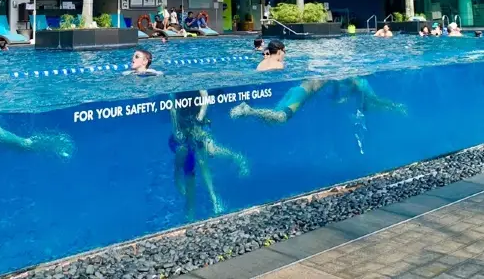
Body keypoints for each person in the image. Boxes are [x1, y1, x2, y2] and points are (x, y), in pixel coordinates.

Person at [169, 89, 248, 219]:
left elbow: (205, 95)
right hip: (183, 123)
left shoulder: (193, 76)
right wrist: (176, 128)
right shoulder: (174, 84)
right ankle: (179, 180)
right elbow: (172, 108)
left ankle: (235, 158)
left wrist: (200, 116)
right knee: (185, 156)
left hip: (199, 121)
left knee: (207, 154)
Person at [230, 77, 405, 124]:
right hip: (301, 94)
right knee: (281, 118)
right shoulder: (347, 78)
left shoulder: (334, 76)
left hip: (297, 91)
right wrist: (341, 98)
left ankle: (250, 112)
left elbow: (341, 86)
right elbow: (348, 84)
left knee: (273, 120)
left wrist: (339, 97)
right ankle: (248, 110)